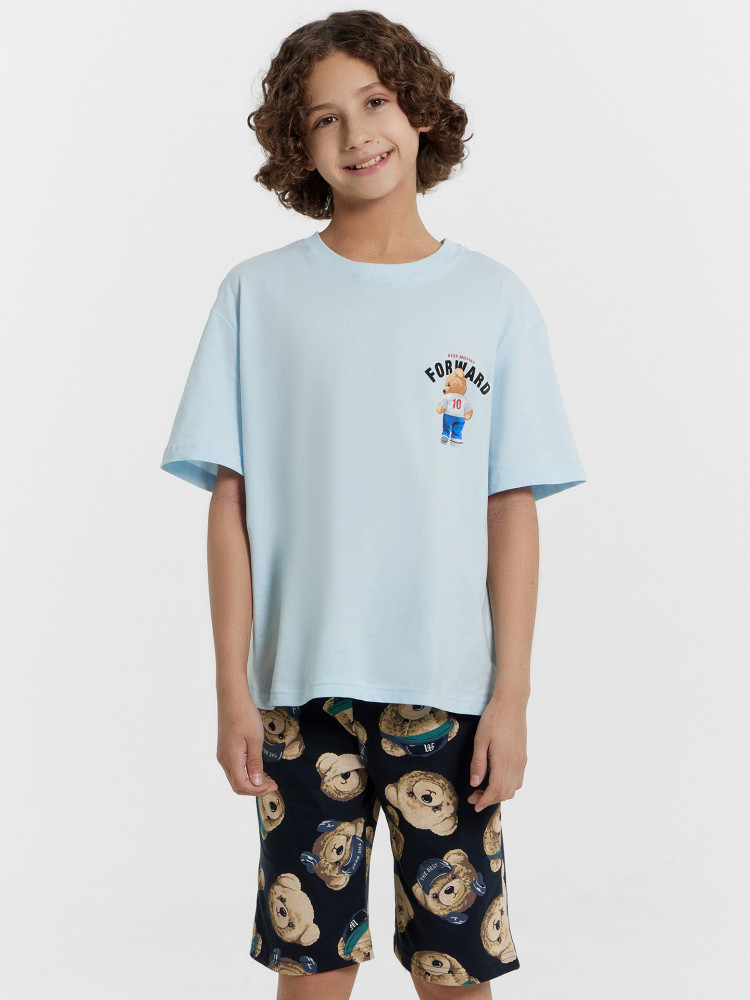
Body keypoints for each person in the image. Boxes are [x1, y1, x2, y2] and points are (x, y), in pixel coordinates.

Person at [160, 10, 586, 999]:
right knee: (311, 967)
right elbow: (231, 505)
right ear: (298, 143)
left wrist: (512, 694)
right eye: (324, 119)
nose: (357, 134)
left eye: (377, 101)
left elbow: (511, 506)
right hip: (299, 692)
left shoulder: (493, 300)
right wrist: (231, 688)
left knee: (456, 969)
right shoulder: (258, 296)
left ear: (419, 110)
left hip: (449, 690)